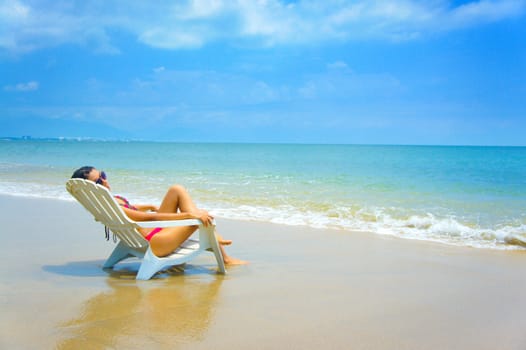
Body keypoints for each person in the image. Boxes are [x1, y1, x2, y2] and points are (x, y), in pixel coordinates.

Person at [71, 166, 247, 265]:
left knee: (176, 190)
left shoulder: (110, 202)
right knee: (199, 217)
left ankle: (214, 237)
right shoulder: (112, 204)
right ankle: (222, 252)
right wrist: (188, 215)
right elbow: (151, 218)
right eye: (99, 181)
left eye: (103, 175)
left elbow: (134, 209)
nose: (104, 181)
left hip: (150, 234)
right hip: (156, 242)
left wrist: (150, 205)